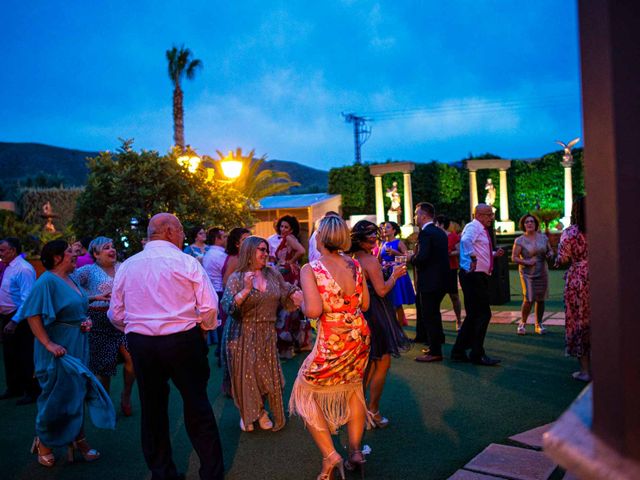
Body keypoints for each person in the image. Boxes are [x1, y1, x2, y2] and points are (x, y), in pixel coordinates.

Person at [108, 213, 224, 480]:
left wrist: (136, 328)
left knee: (152, 409)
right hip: (183, 340)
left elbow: (115, 314)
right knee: (197, 405)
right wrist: (203, 329)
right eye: (182, 230)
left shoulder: (128, 266)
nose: (183, 235)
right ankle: (212, 473)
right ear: (171, 231)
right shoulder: (186, 262)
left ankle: (162, 473)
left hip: (143, 344)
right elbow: (209, 307)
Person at [15, 239, 115, 467]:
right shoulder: (47, 280)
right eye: (70, 252)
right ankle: (44, 443)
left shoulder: (70, 278)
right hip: (57, 349)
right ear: (57, 257)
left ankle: (79, 440)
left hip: (78, 344)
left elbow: (72, 304)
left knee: (77, 392)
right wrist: (48, 344)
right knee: (56, 397)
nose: (76, 255)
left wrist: (92, 302)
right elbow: (33, 314)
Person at [289, 215, 371, 480]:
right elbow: (365, 304)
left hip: (333, 337)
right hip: (359, 336)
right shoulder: (356, 265)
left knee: (304, 391)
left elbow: (313, 310)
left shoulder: (311, 269)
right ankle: (356, 452)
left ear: (320, 239)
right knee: (353, 389)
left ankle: (330, 454)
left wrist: (301, 301)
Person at [221, 236, 302, 432]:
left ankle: (258, 411)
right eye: (261, 250)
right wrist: (247, 290)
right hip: (241, 332)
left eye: (266, 250)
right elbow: (228, 306)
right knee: (246, 376)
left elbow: (285, 291)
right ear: (249, 252)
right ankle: (252, 414)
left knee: (267, 376)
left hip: (266, 332)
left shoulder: (273, 274)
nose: (266, 254)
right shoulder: (237, 277)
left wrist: (296, 294)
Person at [349, 220, 410, 429]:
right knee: (382, 362)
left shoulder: (350, 258)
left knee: (364, 366)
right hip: (376, 313)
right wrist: (394, 275)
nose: (375, 238)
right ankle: (372, 411)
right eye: (372, 236)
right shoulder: (369, 260)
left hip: (359, 314)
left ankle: (357, 411)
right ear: (363, 239)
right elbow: (382, 290)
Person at [72, 236, 136, 416]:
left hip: (123, 319)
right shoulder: (87, 271)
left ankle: (126, 396)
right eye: (106, 247)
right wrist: (90, 298)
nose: (112, 250)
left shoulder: (123, 268)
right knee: (104, 367)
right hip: (99, 320)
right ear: (96, 254)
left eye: (113, 246)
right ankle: (105, 402)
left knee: (133, 359)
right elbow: (67, 285)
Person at [450, 204, 505, 366]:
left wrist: (493, 254)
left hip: (476, 275)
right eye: (489, 215)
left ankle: (460, 351)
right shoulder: (473, 226)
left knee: (475, 314)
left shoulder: (479, 228)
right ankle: (476, 353)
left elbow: (478, 248)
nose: (491, 218)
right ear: (479, 215)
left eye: (491, 214)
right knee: (483, 314)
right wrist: (472, 258)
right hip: (473, 276)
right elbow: (465, 242)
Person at [0, 237, 40, 405]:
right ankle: (14, 387)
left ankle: (32, 391)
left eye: (2, 250)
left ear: (13, 250)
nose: (0, 253)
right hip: (7, 315)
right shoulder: (9, 267)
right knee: (10, 354)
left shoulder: (23, 269)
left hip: (20, 317)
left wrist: (15, 320)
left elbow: (28, 299)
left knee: (25, 354)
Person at [556, 196, 591, 382]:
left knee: (579, 321)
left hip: (578, 279)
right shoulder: (602, 229)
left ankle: (586, 371)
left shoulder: (570, 233)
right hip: (601, 275)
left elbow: (562, 259)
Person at [410, 203, 449, 362]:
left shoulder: (425, 233)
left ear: (423, 216)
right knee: (434, 313)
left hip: (429, 280)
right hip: (441, 279)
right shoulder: (440, 232)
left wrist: (411, 258)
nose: (414, 217)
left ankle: (435, 351)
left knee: (429, 315)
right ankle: (436, 343)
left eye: (416, 214)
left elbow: (423, 257)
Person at [268, 215, 307, 358]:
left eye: (286, 227)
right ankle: (290, 345)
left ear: (291, 229)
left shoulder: (290, 238)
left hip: (289, 274)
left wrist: (289, 261)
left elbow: (302, 251)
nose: (283, 229)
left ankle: (286, 345)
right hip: (287, 273)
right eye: (282, 226)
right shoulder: (288, 238)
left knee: (287, 306)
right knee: (289, 307)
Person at [512, 214, 553, 335]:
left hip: (542, 270)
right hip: (527, 272)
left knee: (540, 299)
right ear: (523, 225)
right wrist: (526, 261)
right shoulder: (519, 240)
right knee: (528, 298)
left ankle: (538, 324)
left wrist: (550, 253)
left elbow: (549, 250)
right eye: (526, 222)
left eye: (531, 222)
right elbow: (514, 257)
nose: (529, 224)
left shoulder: (543, 238)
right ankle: (522, 323)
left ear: (535, 224)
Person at [378, 221, 416, 327]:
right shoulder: (382, 244)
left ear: (394, 230)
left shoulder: (399, 243)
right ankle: (392, 325)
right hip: (385, 274)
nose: (385, 229)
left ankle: (399, 326)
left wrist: (395, 253)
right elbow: (378, 260)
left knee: (397, 302)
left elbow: (407, 259)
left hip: (397, 274)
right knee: (388, 302)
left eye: (388, 227)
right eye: (384, 228)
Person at [435, 215, 463, 330]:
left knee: (454, 296)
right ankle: (436, 322)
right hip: (437, 269)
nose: (434, 226)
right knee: (435, 297)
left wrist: (449, 254)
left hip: (451, 268)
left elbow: (459, 251)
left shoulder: (452, 236)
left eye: (436, 223)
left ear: (441, 224)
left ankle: (458, 320)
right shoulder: (434, 237)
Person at [202, 227, 228, 350]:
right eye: (224, 237)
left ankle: (219, 350)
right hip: (220, 291)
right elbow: (228, 275)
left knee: (220, 323)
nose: (226, 239)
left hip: (212, 290)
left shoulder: (208, 253)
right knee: (223, 323)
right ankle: (222, 351)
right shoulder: (220, 255)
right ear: (217, 239)